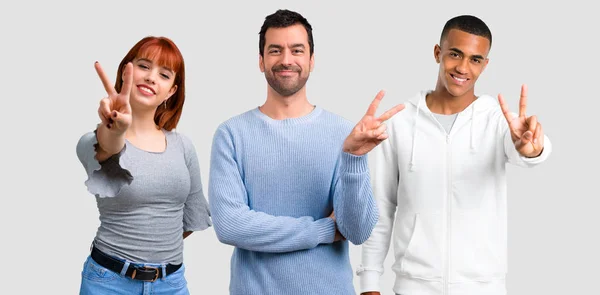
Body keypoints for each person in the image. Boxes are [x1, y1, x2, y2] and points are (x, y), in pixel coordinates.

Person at [208, 9, 404, 295]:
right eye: (275, 50)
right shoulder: (231, 134)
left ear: (311, 60)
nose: (286, 59)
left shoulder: (344, 134)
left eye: (296, 50)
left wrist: (354, 158)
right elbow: (230, 225)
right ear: (261, 61)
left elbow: (358, 230)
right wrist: (323, 230)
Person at [358, 15, 552, 295]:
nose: (463, 68)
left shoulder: (497, 122)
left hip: (484, 289)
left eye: (475, 59)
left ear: (485, 65)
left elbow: (527, 151)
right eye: (455, 54)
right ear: (438, 53)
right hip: (414, 287)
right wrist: (369, 283)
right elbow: (381, 206)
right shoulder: (398, 122)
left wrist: (534, 148)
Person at [76, 36, 211, 295]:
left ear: (171, 91)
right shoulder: (92, 142)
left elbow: (192, 218)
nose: (151, 78)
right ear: (127, 71)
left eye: (164, 74)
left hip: (171, 284)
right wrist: (116, 129)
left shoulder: (184, 147)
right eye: (144, 66)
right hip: (108, 282)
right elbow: (108, 149)